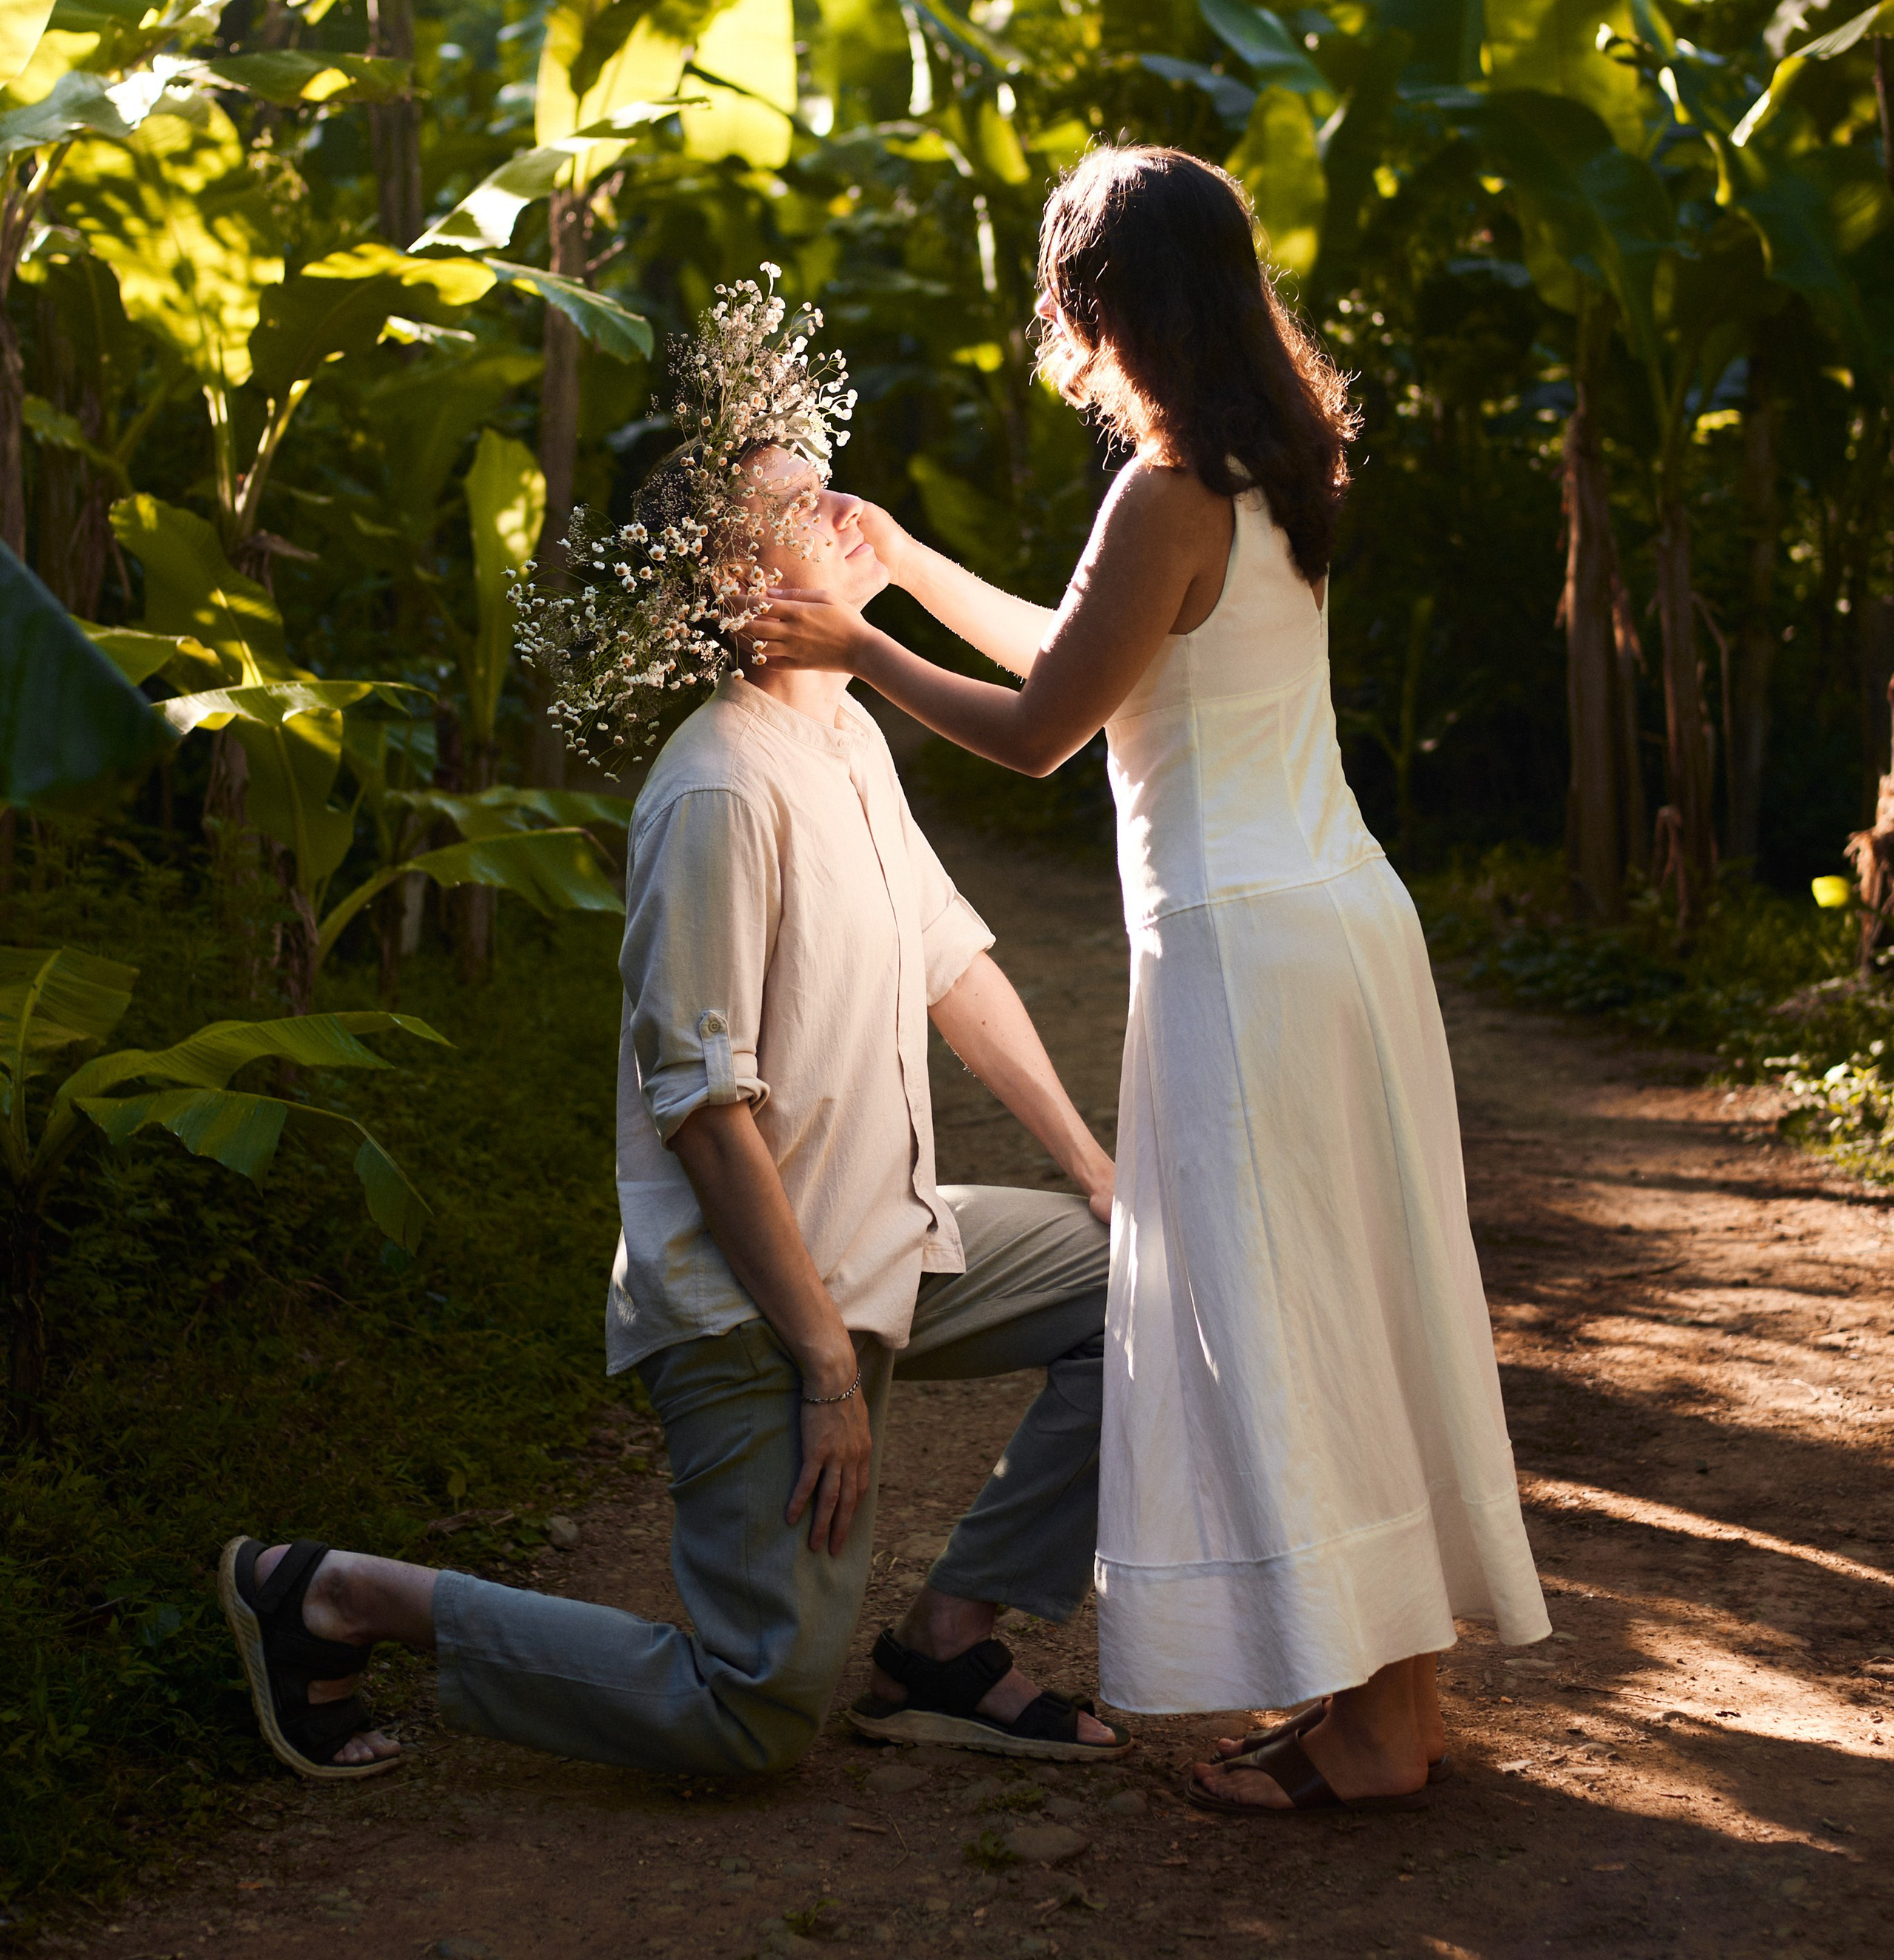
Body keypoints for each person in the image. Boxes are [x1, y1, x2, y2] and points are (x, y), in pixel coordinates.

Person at [220, 277, 1125, 1784]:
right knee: (751, 1710)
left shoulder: (841, 729)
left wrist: (1097, 1175)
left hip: (889, 1248)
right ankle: (331, 1592)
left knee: (1144, 1286)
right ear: (732, 577)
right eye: (800, 503)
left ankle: (950, 1645)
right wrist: (824, 1369)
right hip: (752, 1310)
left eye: (827, 483)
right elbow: (706, 1114)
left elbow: (954, 968)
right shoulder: (715, 786)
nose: (843, 511)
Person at [748, 146, 1550, 1820]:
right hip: (1337, 924)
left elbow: (1043, 729)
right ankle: (1384, 1702)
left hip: (1244, 959)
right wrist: (900, 561)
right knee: (1354, 1308)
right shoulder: (1272, 467)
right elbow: (1092, 648)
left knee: (1277, 1319)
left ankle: (1373, 1723)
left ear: (1105, 302)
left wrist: (858, 650)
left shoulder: (1163, 492)